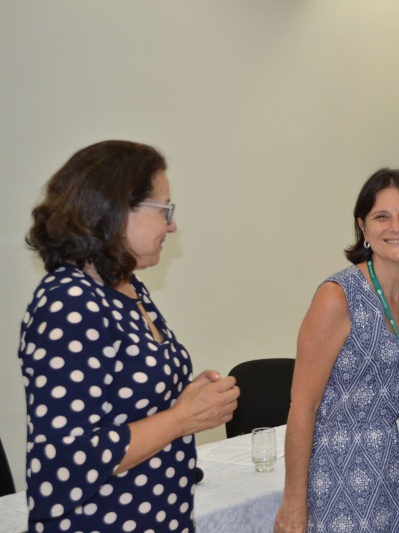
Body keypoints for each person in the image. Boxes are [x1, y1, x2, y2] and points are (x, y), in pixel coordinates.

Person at [19, 140, 240, 532]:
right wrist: (182, 417)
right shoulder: (68, 302)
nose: (172, 225)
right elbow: (63, 464)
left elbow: (124, 408)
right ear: (119, 210)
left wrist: (185, 400)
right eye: (164, 210)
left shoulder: (127, 287)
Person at [274, 169, 399, 532]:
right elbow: (303, 406)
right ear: (363, 227)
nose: (396, 226)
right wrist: (294, 500)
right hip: (344, 482)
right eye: (381, 216)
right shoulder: (337, 296)